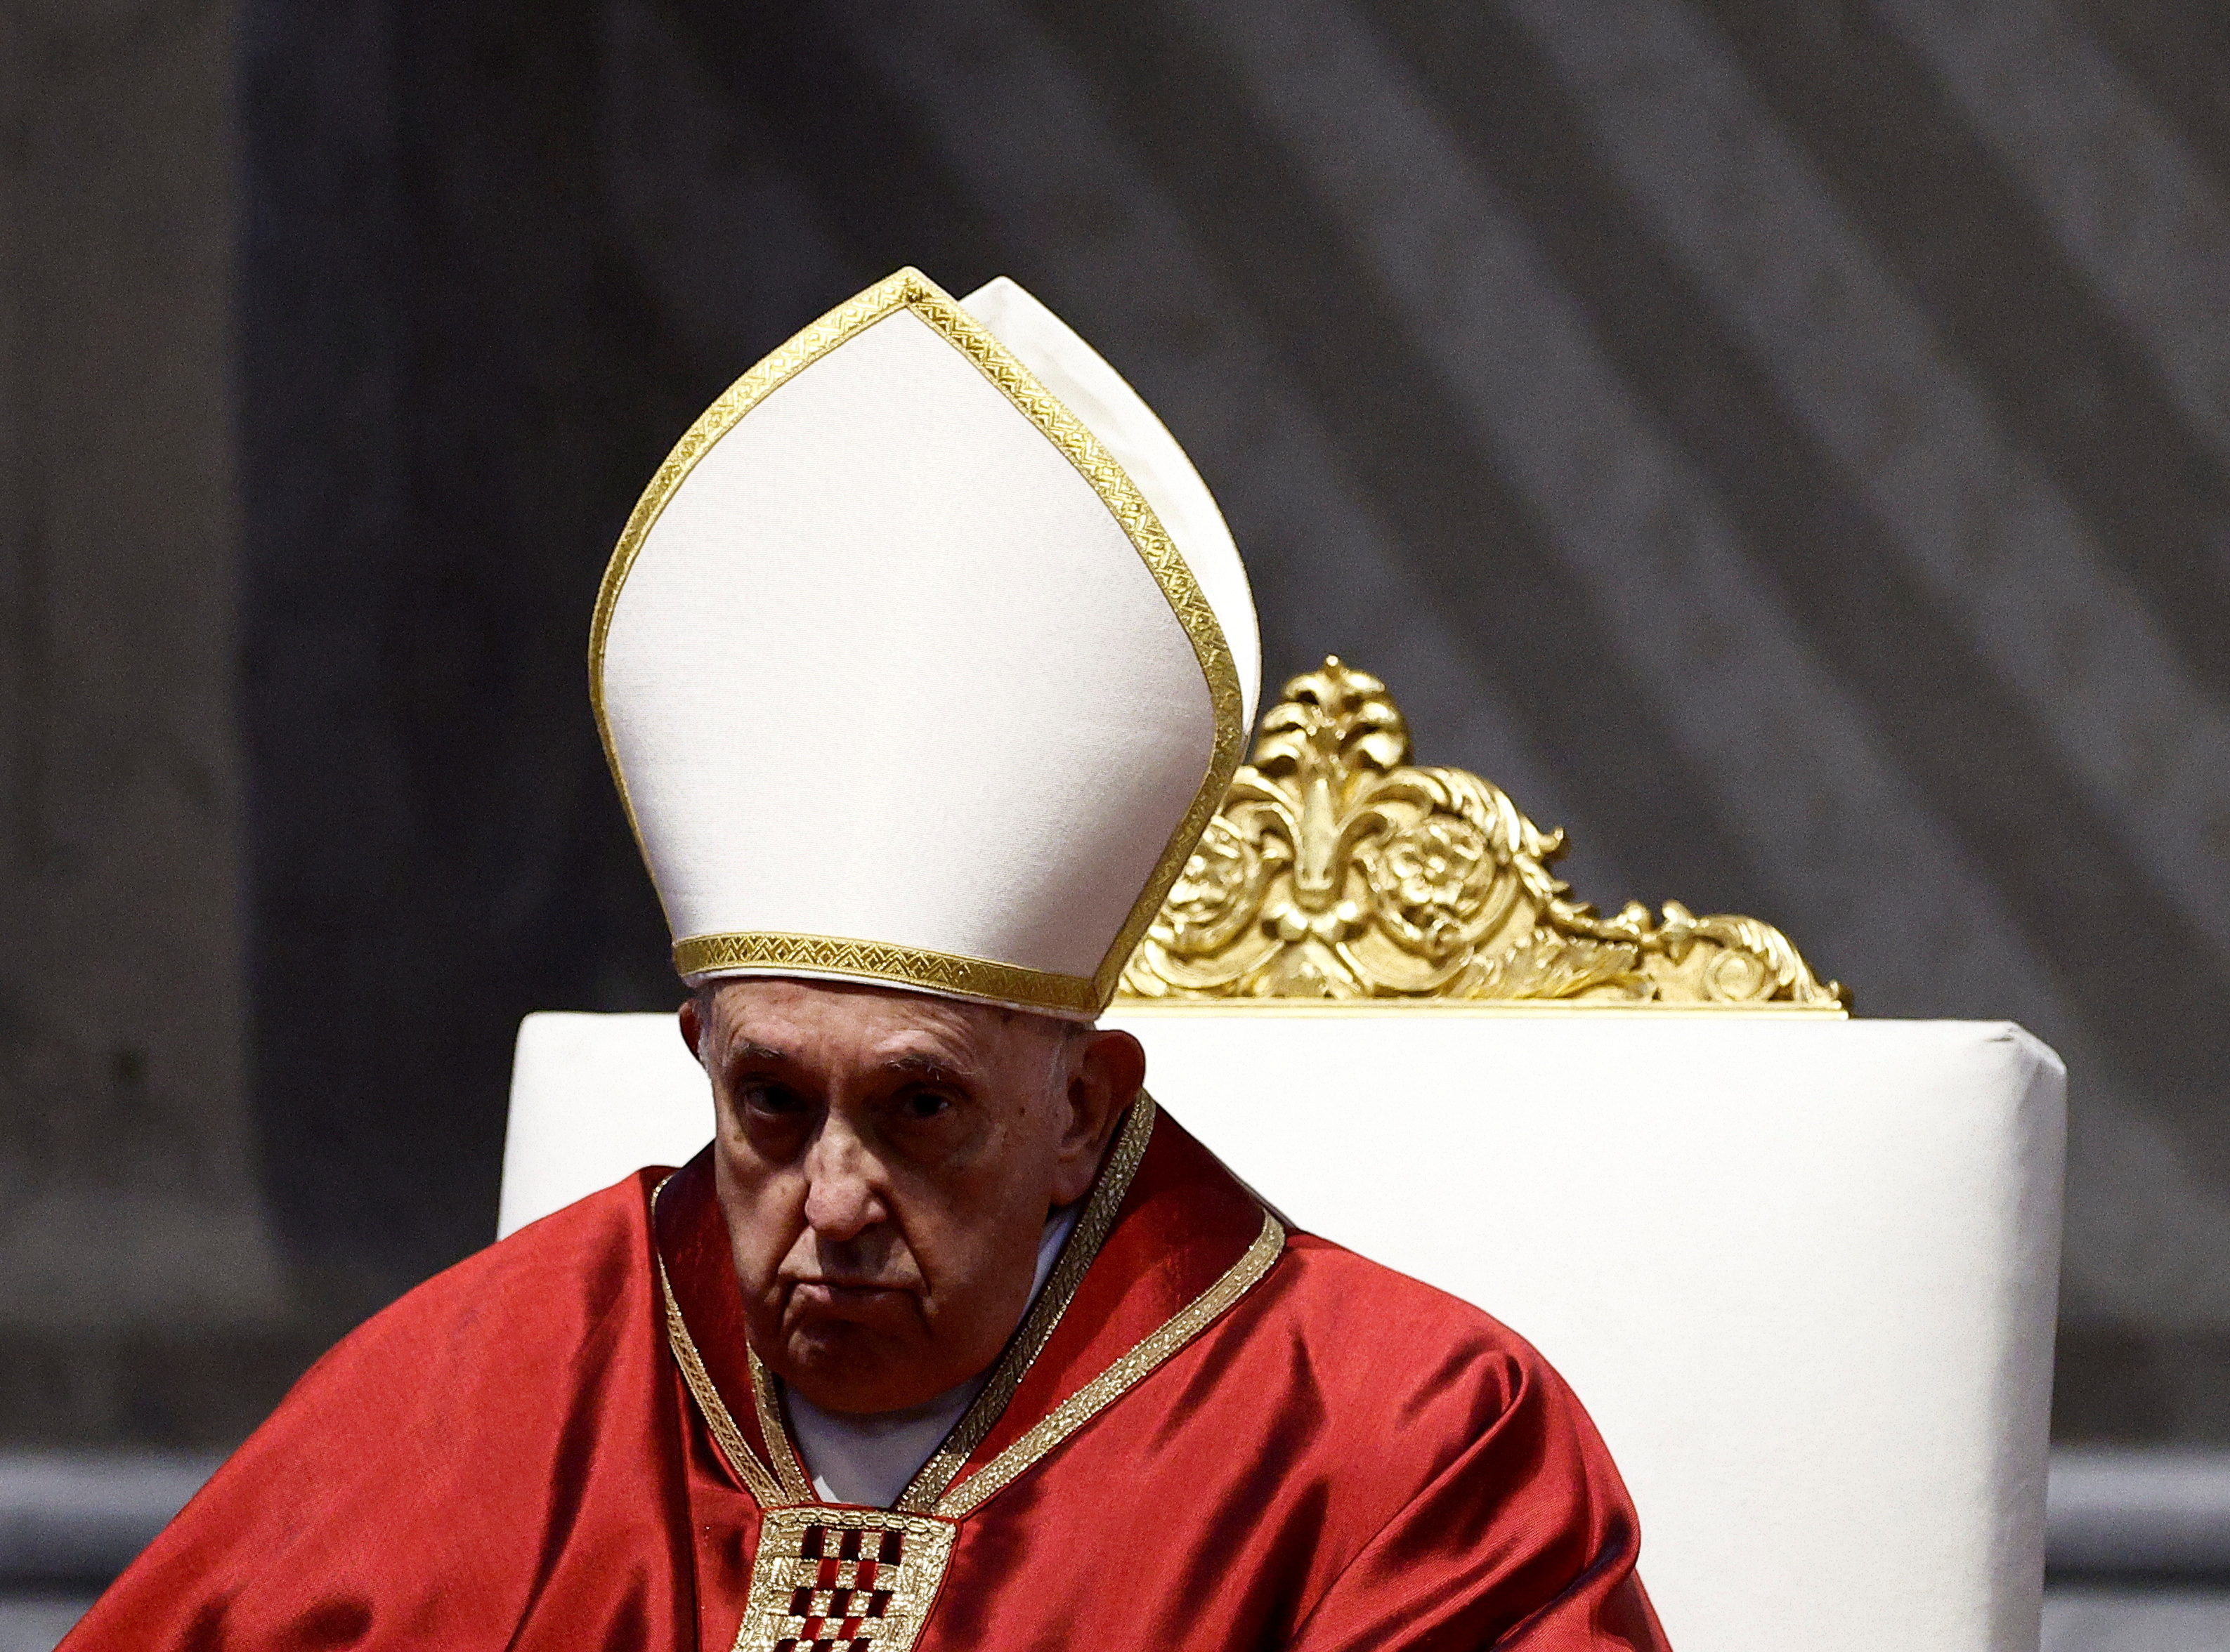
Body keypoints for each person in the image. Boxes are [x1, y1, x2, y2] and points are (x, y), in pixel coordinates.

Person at [65, 269, 1669, 1651]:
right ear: (698, 1059)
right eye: (771, 1103)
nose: (829, 1203)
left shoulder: (1409, 1443)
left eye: (917, 1113)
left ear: (1082, 1114)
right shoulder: (490, 1382)